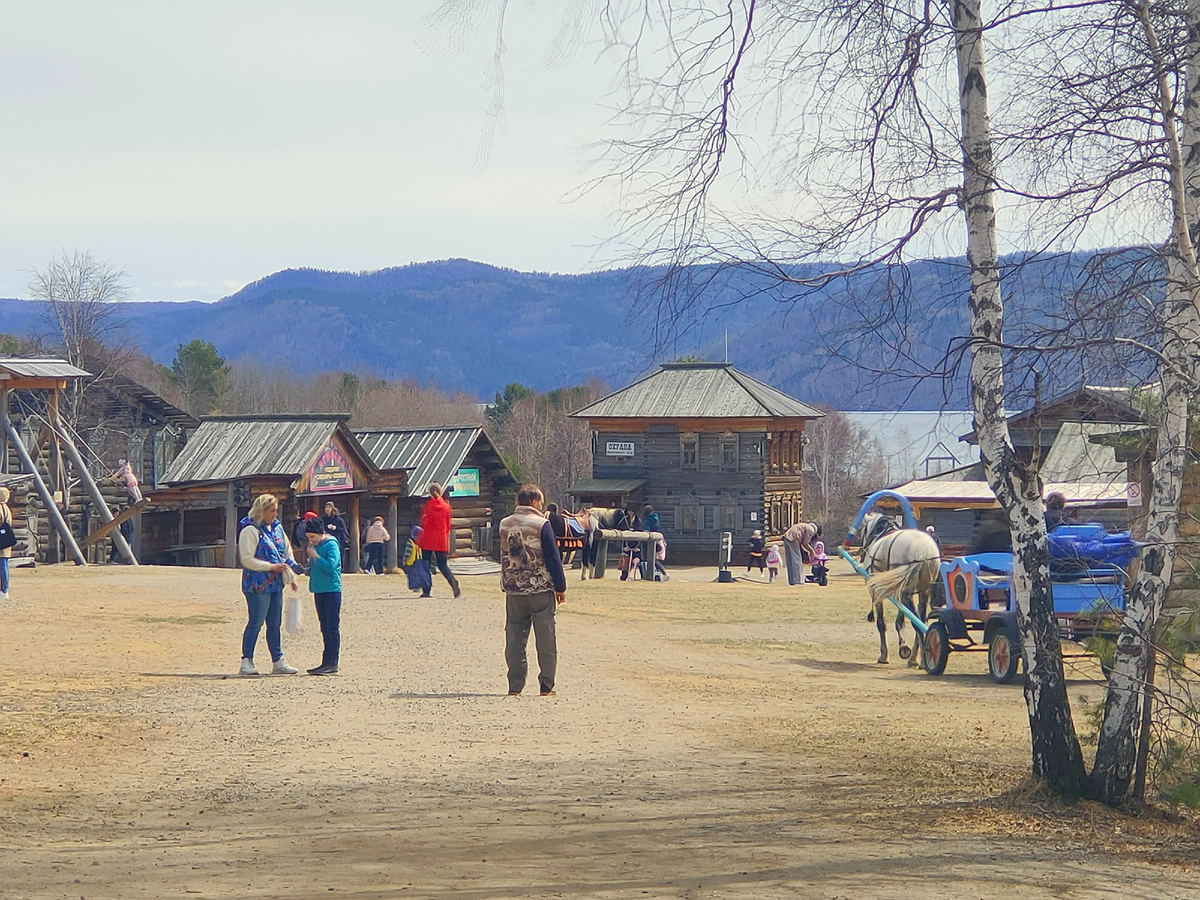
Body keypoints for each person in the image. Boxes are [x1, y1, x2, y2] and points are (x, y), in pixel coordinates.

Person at [499, 484, 566, 696]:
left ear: (518, 502)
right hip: (540, 588)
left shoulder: (504, 524)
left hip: (513, 589)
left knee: (514, 637)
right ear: (535, 501)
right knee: (545, 637)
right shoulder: (542, 524)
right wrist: (560, 587)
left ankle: (515, 685)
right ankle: (546, 685)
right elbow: (553, 558)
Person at [237, 493, 301, 676]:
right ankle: (246, 660)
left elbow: (286, 552)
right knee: (256, 621)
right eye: (271, 511)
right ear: (262, 511)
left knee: (275, 623)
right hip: (257, 585)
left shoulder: (277, 529)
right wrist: (271, 566)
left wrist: (292, 572)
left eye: (276, 510)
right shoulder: (250, 530)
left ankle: (277, 660)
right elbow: (247, 559)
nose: (275, 514)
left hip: (276, 584)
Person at [303, 517, 342, 675]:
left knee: (332, 628)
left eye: (313, 537)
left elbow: (331, 566)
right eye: (308, 538)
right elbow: (316, 568)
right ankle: (325, 662)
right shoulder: (315, 545)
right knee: (324, 627)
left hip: (331, 590)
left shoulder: (331, 545)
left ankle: (332, 662)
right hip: (318, 589)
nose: (311, 540)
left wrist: (316, 557)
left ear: (320, 534)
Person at [417, 483, 461, 599]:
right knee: (442, 565)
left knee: (425, 564)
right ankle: (453, 582)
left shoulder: (428, 506)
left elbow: (424, 523)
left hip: (428, 538)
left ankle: (426, 591)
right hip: (441, 538)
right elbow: (447, 525)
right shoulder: (446, 507)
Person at [782, 521, 821, 586]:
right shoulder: (811, 530)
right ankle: (798, 581)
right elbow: (805, 543)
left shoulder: (806, 526)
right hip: (794, 538)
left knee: (790, 561)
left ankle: (791, 580)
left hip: (787, 537)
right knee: (797, 560)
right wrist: (812, 551)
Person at [401, 525, 432, 594]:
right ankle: (415, 586)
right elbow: (407, 552)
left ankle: (418, 587)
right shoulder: (410, 543)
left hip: (417, 562)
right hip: (411, 563)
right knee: (412, 575)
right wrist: (404, 560)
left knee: (418, 575)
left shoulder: (419, 543)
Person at [0, 486, 12, 600]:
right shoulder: (7, 509)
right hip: (5, 542)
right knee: (4, 566)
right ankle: (4, 590)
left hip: (0, 542)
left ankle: (3, 590)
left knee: (2, 567)